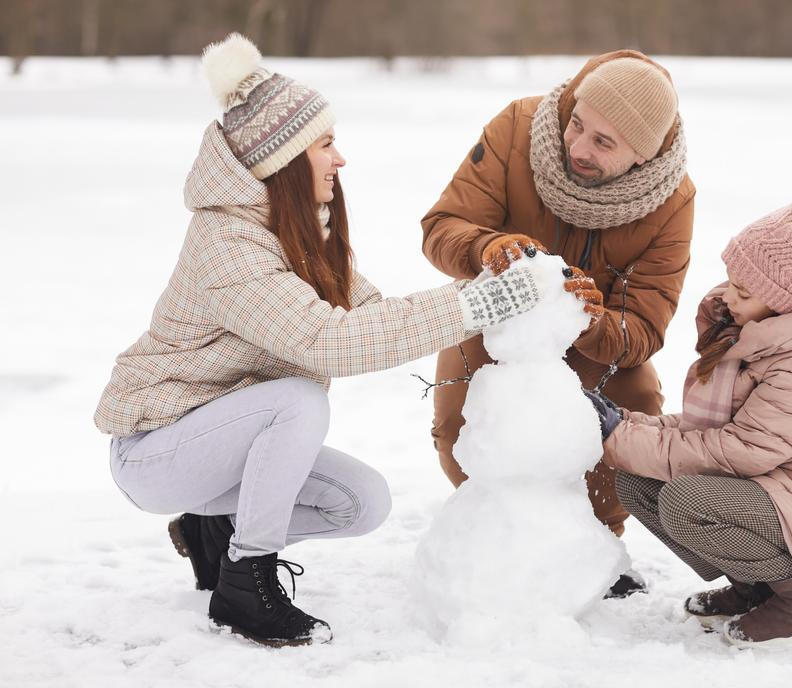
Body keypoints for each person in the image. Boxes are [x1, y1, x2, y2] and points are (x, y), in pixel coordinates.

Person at [93, 34, 588, 648]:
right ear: (284, 159)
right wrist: (478, 304)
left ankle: (211, 532)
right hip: (156, 451)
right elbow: (327, 342)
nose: (340, 160)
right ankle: (245, 583)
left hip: (217, 448)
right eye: (325, 145)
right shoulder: (228, 247)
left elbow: (376, 315)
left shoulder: (297, 233)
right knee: (298, 399)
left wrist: (502, 288)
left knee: (362, 504)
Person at [421, 50, 697, 597]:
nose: (577, 147)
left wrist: (591, 319)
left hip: (595, 341)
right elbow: (441, 227)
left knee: (632, 417)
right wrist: (487, 247)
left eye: (603, 142)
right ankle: (497, 528)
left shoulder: (672, 201)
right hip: (495, 320)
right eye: (578, 124)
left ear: (641, 158)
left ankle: (594, 545)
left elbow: (644, 325)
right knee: (464, 430)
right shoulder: (518, 129)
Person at [588, 201, 792, 648]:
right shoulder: (754, 338)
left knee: (688, 499)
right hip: (781, 488)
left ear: (784, 303)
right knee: (638, 482)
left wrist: (620, 436)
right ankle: (758, 587)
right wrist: (624, 422)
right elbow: (703, 429)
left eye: (745, 292)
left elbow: (735, 451)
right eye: (732, 282)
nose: (728, 296)